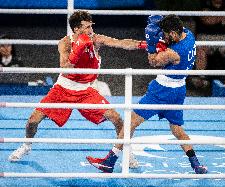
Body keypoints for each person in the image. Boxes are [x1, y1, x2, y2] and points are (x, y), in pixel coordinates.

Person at [8, 10, 146, 168]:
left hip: (86, 91)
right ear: (76, 29)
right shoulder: (65, 43)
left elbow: (121, 43)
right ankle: (26, 146)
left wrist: (143, 44)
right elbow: (64, 68)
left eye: (91, 26)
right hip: (63, 88)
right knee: (33, 121)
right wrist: (78, 50)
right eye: (86, 27)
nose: (90, 30)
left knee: (117, 119)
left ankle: (128, 153)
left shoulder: (96, 40)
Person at [86, 14, 208, 174]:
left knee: (130, 122)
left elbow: (153, 61)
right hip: (179, 90)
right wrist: (161, 32)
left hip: (162, 91)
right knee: (177, 129)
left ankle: (110, 161)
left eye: (165, 34)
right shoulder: (189, 35)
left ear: (172, 33)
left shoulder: (174, 53)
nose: (163, 36)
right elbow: (169, 39)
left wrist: (151, 43)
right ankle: (196, 164)